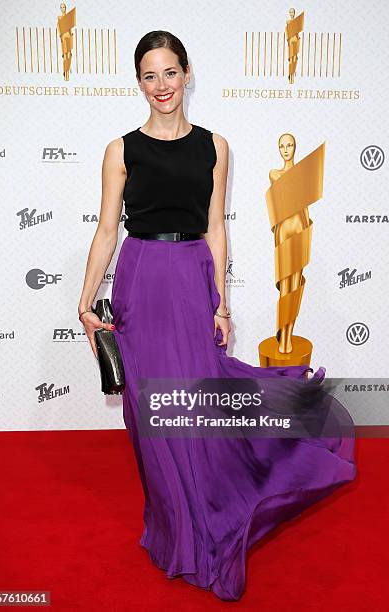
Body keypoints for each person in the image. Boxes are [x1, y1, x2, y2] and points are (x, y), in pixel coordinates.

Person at [78, 30, 357, 601]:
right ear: (139, 82)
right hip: (140, 278)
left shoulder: (215, 145)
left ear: (187, 75)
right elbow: (108, 228)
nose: (162, 86)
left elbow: (216, 227)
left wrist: (221, 302)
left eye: (171, 73)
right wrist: (85, 302)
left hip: (189, 277)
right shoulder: (120, 150)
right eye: (150, 75)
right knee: (155, 414)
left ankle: (207, 529)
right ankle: (175, 531)